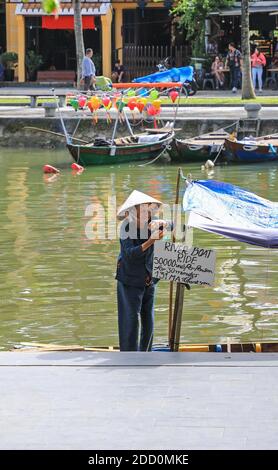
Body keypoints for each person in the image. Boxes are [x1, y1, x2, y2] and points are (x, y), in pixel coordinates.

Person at [115, 190, 165, 352]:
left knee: (148, 318)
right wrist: (151, 241)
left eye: (148, 210)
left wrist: (164, 225)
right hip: (129, 278)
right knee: (130, 319)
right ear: (133, 212)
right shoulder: (126, 227)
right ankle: (129, 354)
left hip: (149, 278)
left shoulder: (154, 223)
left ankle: (146, 352)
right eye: (142, 210)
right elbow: (130, 254)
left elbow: (176, 226)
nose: (146, 213)